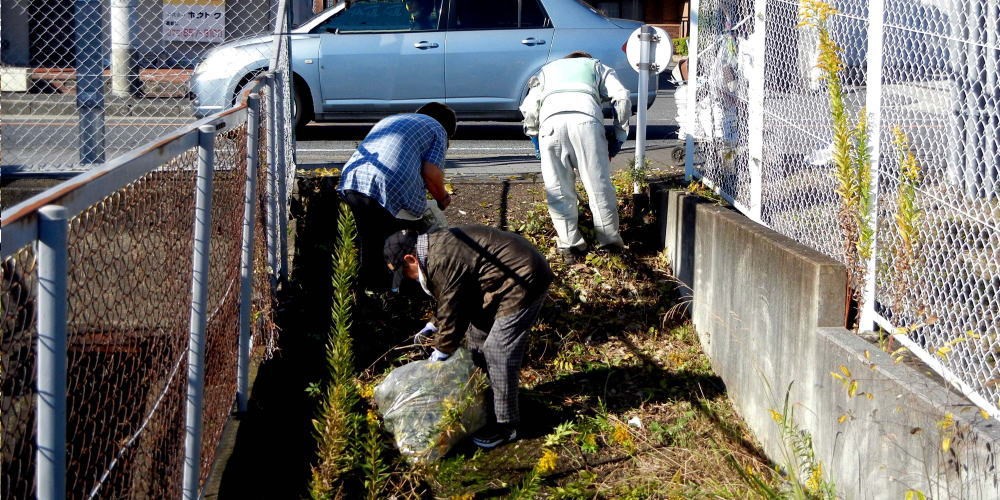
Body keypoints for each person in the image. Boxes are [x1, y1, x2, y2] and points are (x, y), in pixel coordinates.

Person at [383, 225, 554, 448]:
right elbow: (454, 297)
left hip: (523, 277)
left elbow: (453, 306)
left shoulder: (439, 259)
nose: (408, 279)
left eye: (404, 273)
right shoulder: (434, 250)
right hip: (497, 281)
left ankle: (505, 425)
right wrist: (434, 325)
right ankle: (488, 402)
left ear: (410, 259)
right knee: (476, 342)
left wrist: (441, 351)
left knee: (498, 351)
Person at [520, 51, 632, 263]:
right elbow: (622, 97)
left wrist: (535, 139)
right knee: (598, 187)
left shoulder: (547, 71)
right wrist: (618, 136)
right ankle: (609, 245)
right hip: (587, 122)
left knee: (558, 189)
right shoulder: (596, 66)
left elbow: (528, 108)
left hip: (550, 125)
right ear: (585, 58)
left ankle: (570, 246)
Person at [338, 102, 456, 290]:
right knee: (404, 236)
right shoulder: (438, 129)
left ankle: (371, 290)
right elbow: (431, 173)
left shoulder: (394, 119)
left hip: (354, 179)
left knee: (370, 242)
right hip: (390, 184)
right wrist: (442, 198)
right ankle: (409, 285)